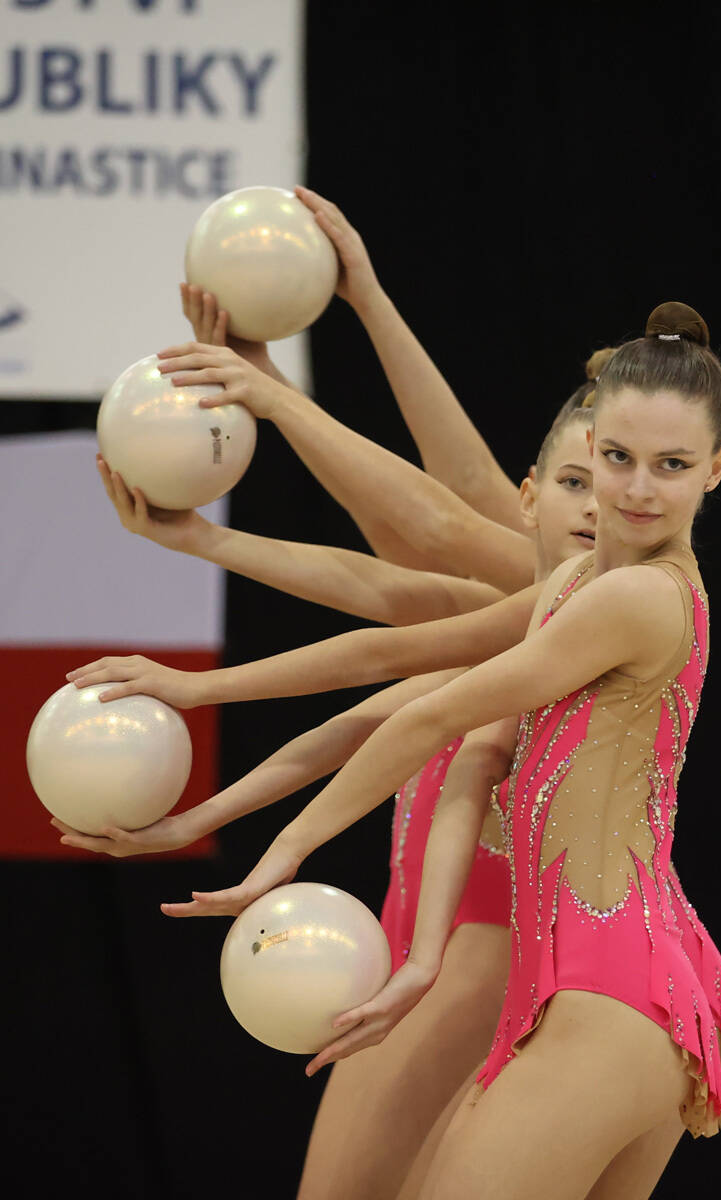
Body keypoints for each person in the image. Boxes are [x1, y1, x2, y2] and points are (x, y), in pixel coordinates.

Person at [129, 302, 721, 1197]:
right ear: (589, 447)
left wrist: (281, 854)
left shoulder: (637, 599)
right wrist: (195, 690)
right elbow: (394, 649)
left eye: (672, 466)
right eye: (616, 459)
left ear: (717, 469)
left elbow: (428, 710)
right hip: (609, 985)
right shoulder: (578, 584)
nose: (635, 490)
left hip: (612, 990)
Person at [61, 368, 604, 1200]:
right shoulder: (520, 614)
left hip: (480, 957)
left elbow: (428, 545)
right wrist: (196, 817)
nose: (596, 507)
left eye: (623, 479)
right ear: (531, 498)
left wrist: (281, 394)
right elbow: (373, 647)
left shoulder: (587, 626)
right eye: (575, 482)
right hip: (430, 945)